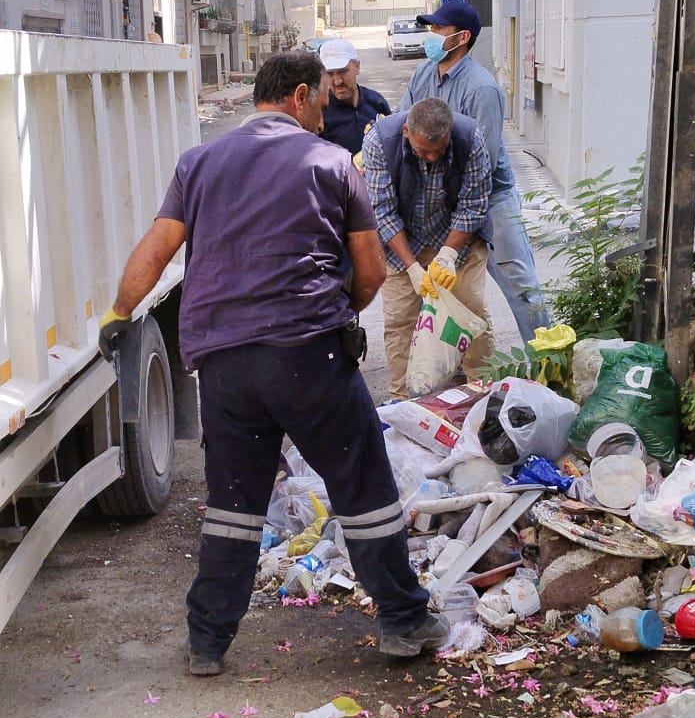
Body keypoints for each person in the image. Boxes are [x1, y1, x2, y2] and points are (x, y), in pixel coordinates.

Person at [98, 51, 447, 676]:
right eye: (317, 104)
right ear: (299, 96)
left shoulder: (197, 163)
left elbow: (155, 252)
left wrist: (118, 314)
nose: (322, 116)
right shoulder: (334, 163)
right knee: (363, 485)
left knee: (233, 506)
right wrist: (342, 309)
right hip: (309, 356)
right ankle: (404, 622)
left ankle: (207, 643)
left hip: (226, 367)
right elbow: (369, 270)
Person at [406, 0, 555, 344]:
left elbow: (481, 162)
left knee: (521, 286)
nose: (431, 35)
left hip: (492, 198)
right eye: (431, 27)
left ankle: (551, 364)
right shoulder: (423, 74)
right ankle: (459, 370)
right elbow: (405, 124)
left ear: (461, 38)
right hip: (445, 197)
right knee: (451, 289)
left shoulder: (482, 88)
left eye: (439, 29)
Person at [360, 97, 496, 399]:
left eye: (440, 150)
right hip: (401, 243)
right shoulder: (380, 141)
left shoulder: (470, 137)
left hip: (456, 240)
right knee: (400, 322)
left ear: (449, 133)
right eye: (424, 151)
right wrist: (412, 268)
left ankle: (484, 392)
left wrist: (447, 255)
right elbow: (381, 211)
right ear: (407, 132)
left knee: (471, 315)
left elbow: (473, 204)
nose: (432, 158)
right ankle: (403, 399)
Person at [317, 38, 390, 158]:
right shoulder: (319, 113)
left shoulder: (377, 102)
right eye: (330, 74)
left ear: (357, 66)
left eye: (342, 71)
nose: (337, 81)